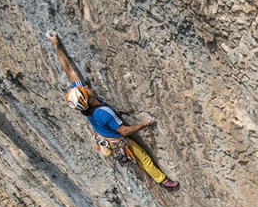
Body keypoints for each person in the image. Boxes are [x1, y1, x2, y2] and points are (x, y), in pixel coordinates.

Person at [46, 31, 178, 189]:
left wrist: (55, 44)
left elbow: (68, 70)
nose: (87, 87)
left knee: (107, 147)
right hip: (116, 139)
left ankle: (105, 149)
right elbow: (124, 131)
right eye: (86, 90)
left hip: (102, 135)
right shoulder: (104, 113)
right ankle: (162, 180)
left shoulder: (85, 104)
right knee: (143, 158)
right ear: (88, 99)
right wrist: (144, 124)